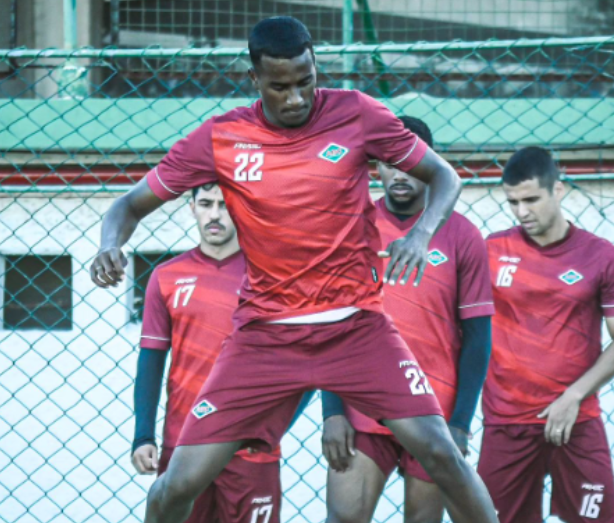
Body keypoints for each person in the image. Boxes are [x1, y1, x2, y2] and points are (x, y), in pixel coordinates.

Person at [90, 16, 499, 523]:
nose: (295, 98)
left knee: (442, 454)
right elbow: (127, 206)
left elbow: (443, 176)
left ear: (315, 67)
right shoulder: (222, 137)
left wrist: (421, 233)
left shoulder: (357, 113)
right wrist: (110, 243)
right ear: (255, 79)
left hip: (356, 328)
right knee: (176, 486)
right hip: (264, 337)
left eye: (305, 81)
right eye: (280, 87)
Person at [320, 116, 494, 523]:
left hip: (433, 410)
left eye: (408, 161)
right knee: (343, 518)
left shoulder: (462, 234)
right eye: (388, 162)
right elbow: (331, 324)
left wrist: (461, 424)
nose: (398, 172)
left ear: (429, 163)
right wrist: (332, 411)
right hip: (361, 405)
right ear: (375, 167)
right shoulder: (351, 230)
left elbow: (478, 339)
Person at [132, 183, 311, 523]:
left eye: (225, 205)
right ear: (192, 207)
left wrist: (274, 427)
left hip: (250, 449)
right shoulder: (167, 276)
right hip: (183, 444)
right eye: (206, 204)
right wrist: (143, 434)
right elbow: (151, 361)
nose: (214, 214)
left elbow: (307, 362)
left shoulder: (273, 279)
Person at [479, 146, 614, 523]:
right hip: (507, 421)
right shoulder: (491, 251)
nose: (522, 212)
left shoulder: (601, 256)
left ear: (559, 190)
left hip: (576, 418)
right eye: (513, 202)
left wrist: (574, 395)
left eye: (531, 199)